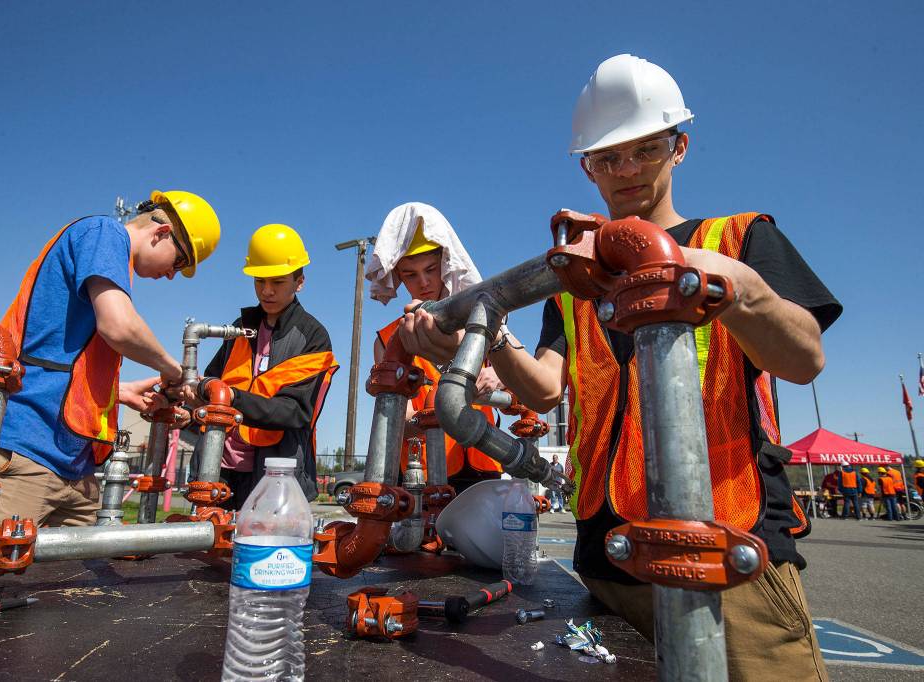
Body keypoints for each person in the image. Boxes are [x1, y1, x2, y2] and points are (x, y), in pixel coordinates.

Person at [397, 54, 841, 679]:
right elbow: (547, 390)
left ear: (679, 146)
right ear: (587, 169)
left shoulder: (740, 239)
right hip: (609, 558)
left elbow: (804, 359)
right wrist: (491, 334)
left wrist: (738, 287)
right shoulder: (576, 279)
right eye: (607, 159)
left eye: (645, 151)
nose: (626, 171)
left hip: (724, 555)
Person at [0, 191, 221, 535]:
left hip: (71, 468)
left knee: (73, 583)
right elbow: (118, 325)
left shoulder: (106, 260)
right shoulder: (103, 233)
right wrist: (176, 372)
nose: (173, 275)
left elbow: (59, 355)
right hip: (21, 448)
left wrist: (121, 391)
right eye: (178, 262)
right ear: (160, 234)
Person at [196, 224, 338, 506]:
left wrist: (234, 398)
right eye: (260, 281)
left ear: (300, 281)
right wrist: (198, 390)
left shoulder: (312, 336)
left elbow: (295, 411)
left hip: (275, 472)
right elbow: (212, 380)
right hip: (219, 469)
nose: (267, 291)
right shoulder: (240, 328)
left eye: (278, 282)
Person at [366, 203, 503, 494]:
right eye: (411, 274)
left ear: (447, 264)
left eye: (430, 269)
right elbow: (395, 421)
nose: (424, 282)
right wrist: (438, 414)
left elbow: (521, 386)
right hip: (421, 475)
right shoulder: (388, 339)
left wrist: (499, 378)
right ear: (398, 277)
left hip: (483, 463)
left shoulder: (483, 325)